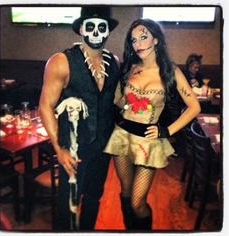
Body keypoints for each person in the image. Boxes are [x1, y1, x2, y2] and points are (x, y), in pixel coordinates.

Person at [104, 19, 201, 230]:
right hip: (122, 135)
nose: (138, 44)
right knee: (126, 193)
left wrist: (167, 131)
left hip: (148, 140)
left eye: (144, 37)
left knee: (138, 202)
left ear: (156, 39)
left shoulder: (170, 71)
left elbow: (194, 107)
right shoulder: (129, 68)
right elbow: (117, 101)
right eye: (134, 40)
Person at [39, 6, 119, 231]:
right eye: (90, 26)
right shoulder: (61, 61)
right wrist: (59, 148)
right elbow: (45, 106)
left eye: (101, 27)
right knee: (68, 205)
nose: (95, 32)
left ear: (107, 31)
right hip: (73, 150)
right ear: (81, 30)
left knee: (94, 198)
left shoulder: (114, 61)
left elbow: (112, 102)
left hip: (103, 148)